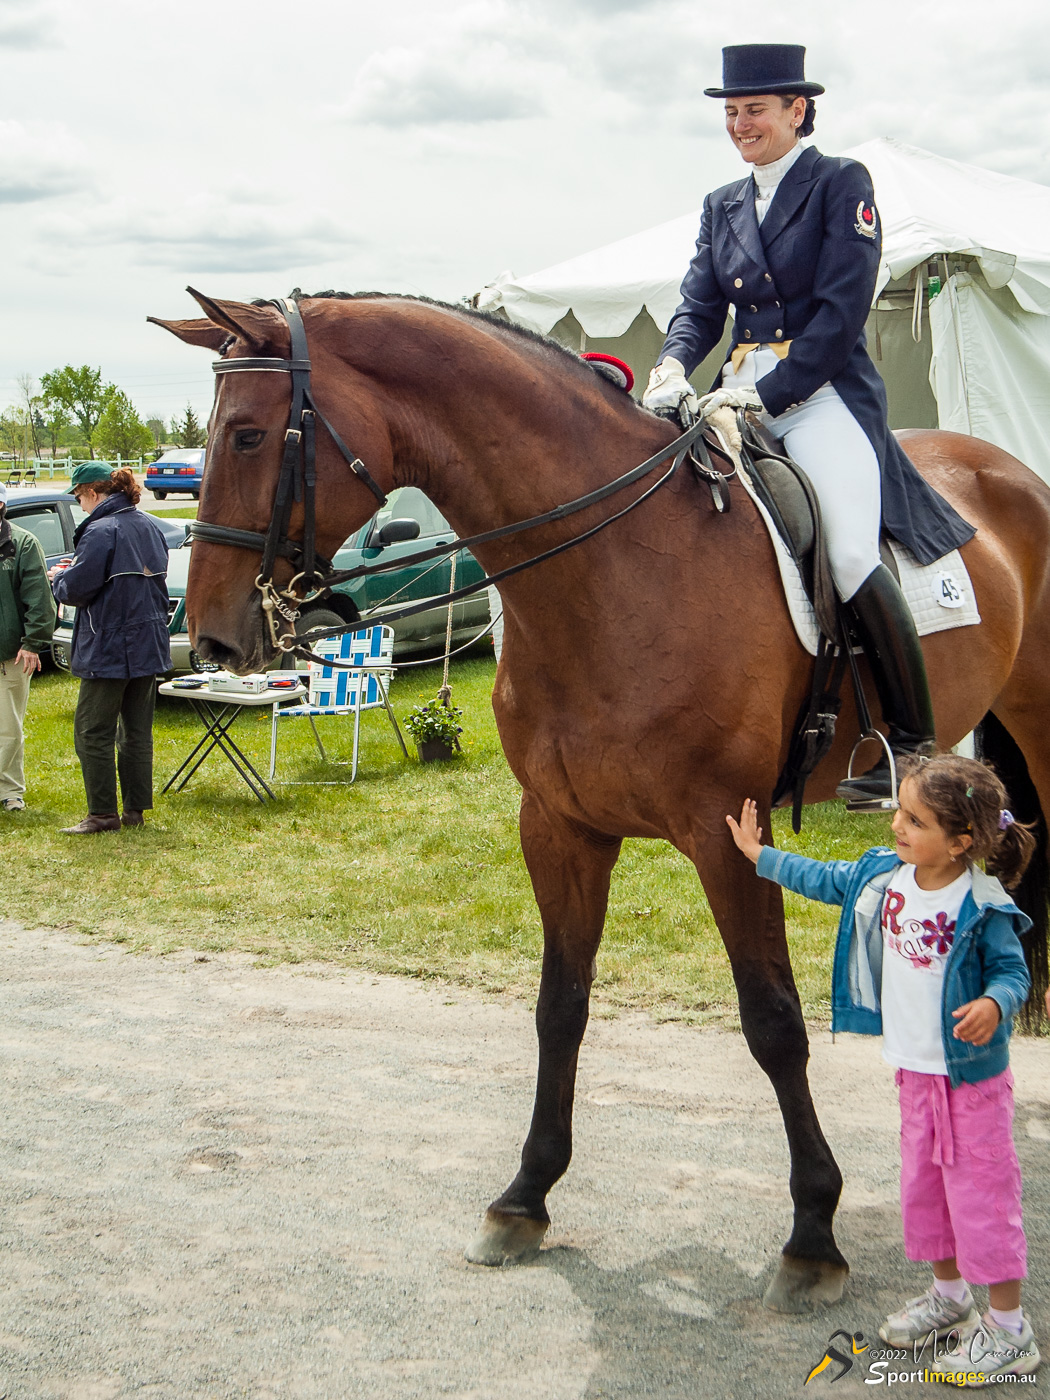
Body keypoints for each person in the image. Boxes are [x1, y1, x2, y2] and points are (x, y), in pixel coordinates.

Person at [641, 44, 975, 803]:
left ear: (797, 110)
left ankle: (911, 746)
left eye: (754, 110)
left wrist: (772, 394)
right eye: (730, 112)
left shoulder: (840, 184)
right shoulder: (722, 203)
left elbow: (840, 312)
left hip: (820, 392)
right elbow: (699, 305)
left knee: (851, 552)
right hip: (732, 391)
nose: (739, 124)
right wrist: (672, 366)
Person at [726, 754, 1040, 1384]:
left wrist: (994, 1003)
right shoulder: (887, 877)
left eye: (914, 819)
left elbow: (1014, 973)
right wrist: (760, 857)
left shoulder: (981, 903)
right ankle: (950, 1298)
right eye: (899, 809)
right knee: (926, 1197)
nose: (897, 824)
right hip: (915, 1077)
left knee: (982, 1202)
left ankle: (1009, 1331)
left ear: (961, 842)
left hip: (971, 1085)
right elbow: (825, 878)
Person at [50, 463, 171, 834]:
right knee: (136, 730)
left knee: (92, 730)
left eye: (78, 497)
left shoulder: (100, 530)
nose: (79, 505)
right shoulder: (149, 525)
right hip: (148, 643)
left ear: (92, 492)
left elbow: (79, 588)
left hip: (109, 645)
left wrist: (60, 579)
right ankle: (135, 810)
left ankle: (102, 813)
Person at [0, 482, 56, 812]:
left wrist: (33, 643)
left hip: (11, 653)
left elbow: (39, 599)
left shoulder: (22, 544)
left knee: (8, 727)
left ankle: (10, 792)